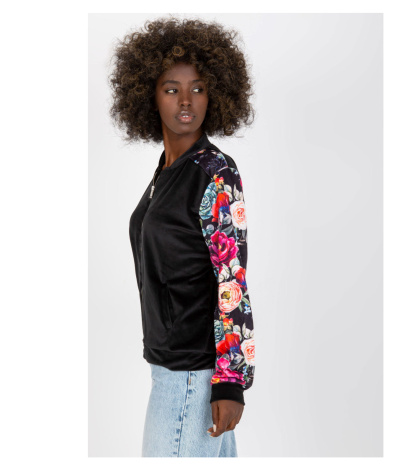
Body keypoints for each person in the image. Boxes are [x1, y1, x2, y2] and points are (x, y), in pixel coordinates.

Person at [108, 17, 256, 457]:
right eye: (172, 89)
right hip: (172, 370)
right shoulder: (167, 172)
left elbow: (232, 279)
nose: (186, 100)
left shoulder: (215, 172)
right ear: (149, 96)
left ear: (215, 95)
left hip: (193, 376)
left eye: (199, 88)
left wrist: (229, 382)